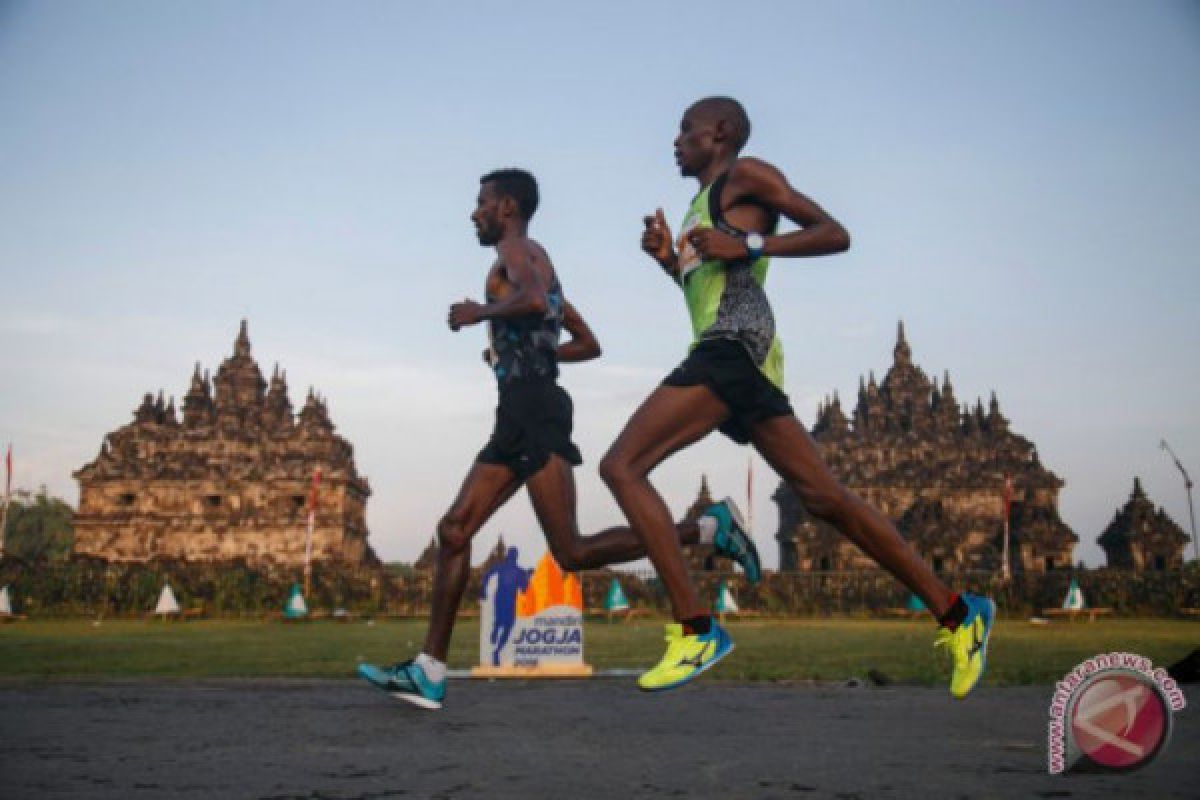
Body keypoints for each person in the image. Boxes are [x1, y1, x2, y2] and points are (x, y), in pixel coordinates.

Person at [602, 97, 993, 696]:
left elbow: (835, 233)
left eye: (686, 129)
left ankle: (697, 628)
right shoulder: (698, 207)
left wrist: (752, 247)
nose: (674, 140)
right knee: (825, 498)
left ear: (721, 133)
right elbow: (710, 281)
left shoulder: (746, 174)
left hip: (732, 347)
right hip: (744, 357)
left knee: (622, 466)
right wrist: (668, 260)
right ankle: (960, 614)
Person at [357, 168, 761, 709]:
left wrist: (480, 312)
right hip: (525, 407)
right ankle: (429, 668)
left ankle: (708, 529)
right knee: (490, 536)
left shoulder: (518, 250)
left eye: (481, 203)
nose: (473, 212)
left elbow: (527, 301)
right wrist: (523, 351)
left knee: (523, 541)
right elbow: (587, 342)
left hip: (533, 410)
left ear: (506, 207)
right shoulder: (538, 259)